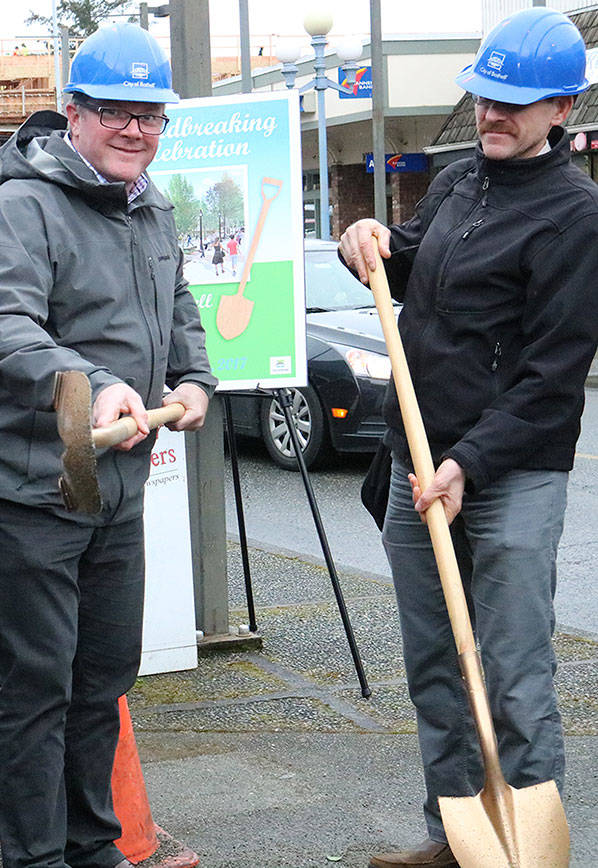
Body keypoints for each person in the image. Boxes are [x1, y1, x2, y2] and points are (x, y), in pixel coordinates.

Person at [0, 22, 215, 868]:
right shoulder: (21, 208)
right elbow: (5, 329)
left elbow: (180, 310)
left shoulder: (153, 206)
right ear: (74, 113)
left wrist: (194, 380)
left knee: (103, 679)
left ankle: (93, 846)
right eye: (115, 113)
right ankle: (34, 859)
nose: (135, 129)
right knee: (39, 687)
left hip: (114, 481)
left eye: (150, 114)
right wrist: (96, 383)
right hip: (27, 485)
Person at [338, 9, 598, 868]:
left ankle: (528, 853)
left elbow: (552, 379)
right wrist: (369, 242)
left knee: (515, 676)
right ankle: (454, 839)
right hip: (419, 462)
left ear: (562, 108)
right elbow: (410, 264)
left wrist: (466, 463)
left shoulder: (575, 219)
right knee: (437, 671)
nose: (492, 115)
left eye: (515, 105)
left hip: (509, 475)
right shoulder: (457, 181)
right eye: (485, 98)